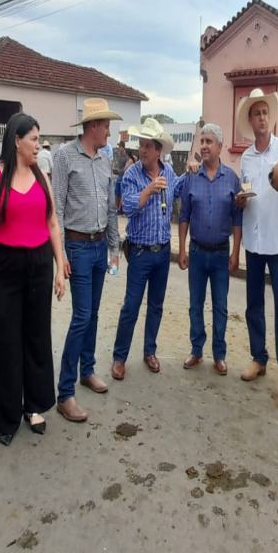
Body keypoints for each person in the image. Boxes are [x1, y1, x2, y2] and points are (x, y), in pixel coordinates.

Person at [0, 113, 66, 446]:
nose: (39, 146)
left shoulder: (41, 175)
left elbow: (53, 223)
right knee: (6, 341)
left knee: (37, 337)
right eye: (34, 140)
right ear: (16, 140)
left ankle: (34, 406)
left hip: (39, 262)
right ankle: (7, 417)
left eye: (39, 140)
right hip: (4, 265)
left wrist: (60, 264)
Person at [52, 98, 121, 423]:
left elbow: (110, 207)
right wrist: (61, 254)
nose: (109, 131)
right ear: (92, 127)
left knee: (92, 313)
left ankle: (87, 370)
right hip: (77, 247)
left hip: (98, 248)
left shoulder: (106, 160)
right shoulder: (65, 156)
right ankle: (65, 393)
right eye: (106, 125)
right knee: (81, 316)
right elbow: (57, 208)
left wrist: (114, 248)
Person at [234, 88, 278, 408]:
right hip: (253, 240)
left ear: (270, 118)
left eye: (265, 113)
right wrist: (240, 200)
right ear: (250, 120)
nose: (261, 118)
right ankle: (258, 358)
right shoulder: (245, 157)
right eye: (256, 113)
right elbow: (245, 194)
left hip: (277, 241)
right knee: (253, 305)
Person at [110, 118, 187, 379]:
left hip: (163, 252)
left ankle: (149, 351)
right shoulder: (132, 174)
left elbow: (179, 192)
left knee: (156, 305)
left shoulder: (169, 173)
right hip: (140, 251)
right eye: (140, 145)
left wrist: (192, 170)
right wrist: (149, 191)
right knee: (131, 305)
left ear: (158, 150)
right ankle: (119, 357)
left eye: (147, 146)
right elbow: (128, 207)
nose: (142, 150)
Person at [177, 123, 242, 376]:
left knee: (220, 305)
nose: (203, 146)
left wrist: (236, 252)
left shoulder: (232, 178)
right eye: (201, 141)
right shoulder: (192, 177)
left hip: (220, 253)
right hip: (196, 251)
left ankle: (219, 354)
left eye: (208, 141)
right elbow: (184, 215)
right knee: (195, 304)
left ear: (220, 147)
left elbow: (237, 218)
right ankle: (196, 349)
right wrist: (181, 248)